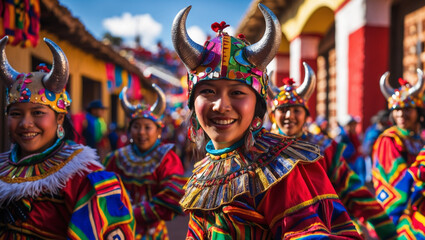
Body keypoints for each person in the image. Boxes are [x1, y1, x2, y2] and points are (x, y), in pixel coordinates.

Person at [172, 4, 361, 239]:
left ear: (258, 108)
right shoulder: (203, 169)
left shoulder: (281, 166)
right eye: (208, 91)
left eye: (237, 93)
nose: (221, 105)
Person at [0, 36, 134, 238]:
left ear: (60, 119)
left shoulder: (82, 175)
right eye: (16, 114)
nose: (25, 123)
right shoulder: (3, 166)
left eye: (37, 113)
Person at [268, 64, 397, 239]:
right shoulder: (263, 149)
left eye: (296, 110)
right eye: (283, 110)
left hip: (322, 227)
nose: (289, 115)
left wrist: (386, 229)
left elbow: (352, 188)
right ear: (273, 115)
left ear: (306, 116)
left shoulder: (323, 147)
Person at [102, 84, 186, 240]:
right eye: (136, 126)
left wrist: (132, 213)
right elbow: (103, 191)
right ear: (130, 130)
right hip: (117, 230)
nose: (141, 132)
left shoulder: (167, 158)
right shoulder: (116, 158)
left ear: (159, 131)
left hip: (153, 232)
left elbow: (172, 196)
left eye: (147, 127)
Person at [372, 70, 425, 227]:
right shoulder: (389, 140)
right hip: (401, 213)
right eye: (397, 110)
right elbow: (398, 181)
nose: (401, 114)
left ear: (419, 112)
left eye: (407, 109)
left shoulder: (418, 138)